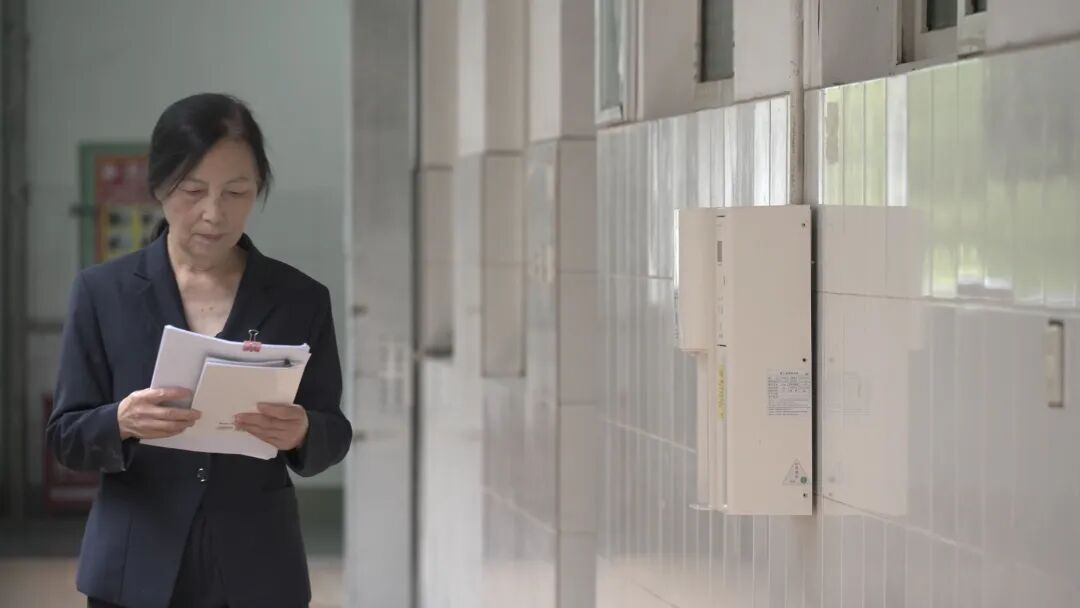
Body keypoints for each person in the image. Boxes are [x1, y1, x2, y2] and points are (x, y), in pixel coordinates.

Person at [46, 93, 352, 608]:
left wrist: (303, 432)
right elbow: (65, 437)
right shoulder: (103, 293)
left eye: (237, 192)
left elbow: (334, 431)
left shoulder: (300, 298)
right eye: (193, 190)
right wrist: (120, 421)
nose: (214, 213)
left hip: (258, 568)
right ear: (160, 185)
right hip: (135, 566)